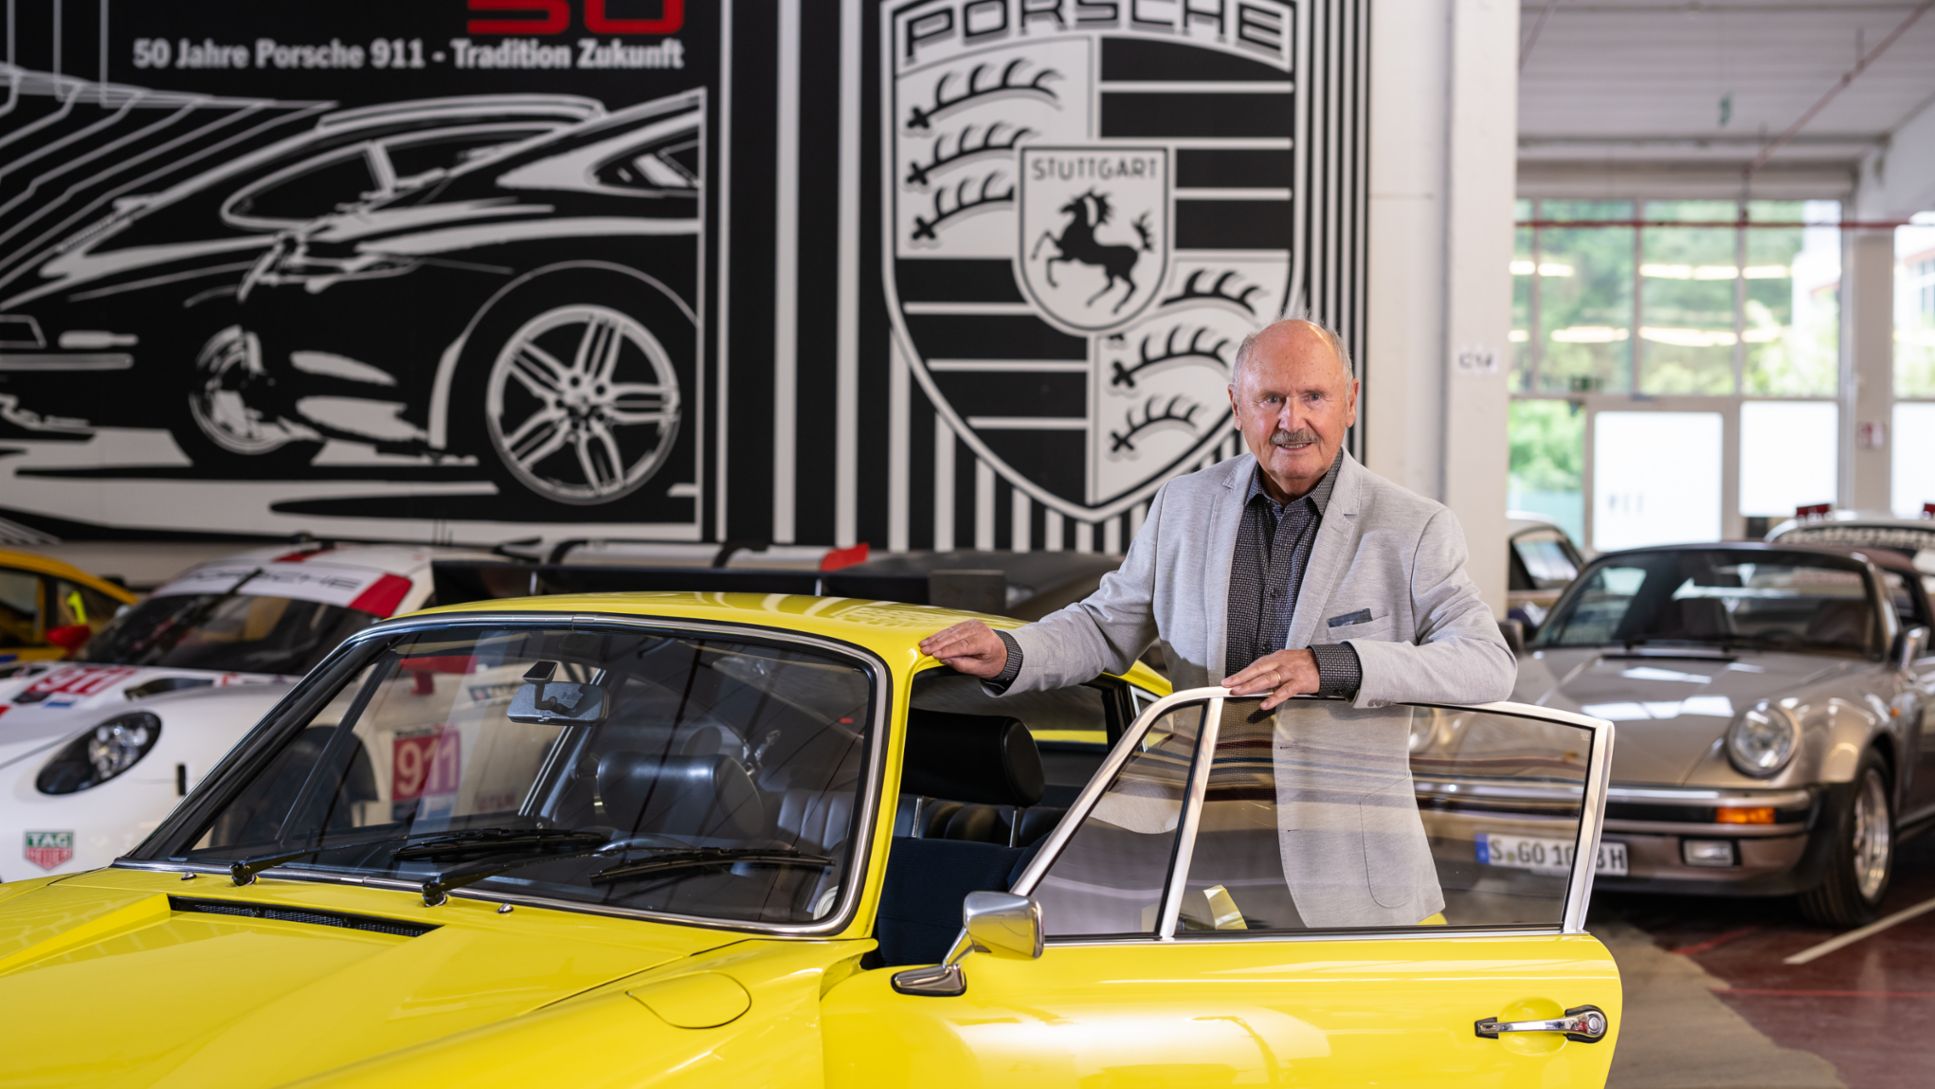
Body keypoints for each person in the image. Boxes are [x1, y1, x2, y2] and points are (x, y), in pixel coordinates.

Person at [918, 316, 1515, 927]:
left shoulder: (1415, 528)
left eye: (1314, 396)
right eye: (1270, 399)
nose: (1291, 421)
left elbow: (1488, 663)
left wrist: (1332, 665)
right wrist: (1012, 652)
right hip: (1184, 841)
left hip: (1341, 860)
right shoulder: (1184, 504)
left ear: (1351, 402)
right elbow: (1104, 625)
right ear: (1236, 406)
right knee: (1049, 937)